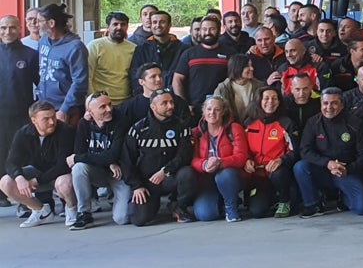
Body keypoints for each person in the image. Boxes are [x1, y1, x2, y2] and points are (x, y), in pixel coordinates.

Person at [123, 89, 198, 226]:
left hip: (171, 177)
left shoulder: (181, 126)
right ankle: (153, 205)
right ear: (153, 107)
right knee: (138, 219)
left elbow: (184, 155)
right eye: (164, 103)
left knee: (187, 173)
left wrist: (165, 171)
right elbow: (127, 160)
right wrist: (136, 186)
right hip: (147, 181)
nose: (170, 106)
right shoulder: (138, 129)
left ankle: (178, 205)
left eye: (171, 102)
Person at [294, 88, 363, 217]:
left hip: (346, 172)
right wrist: (327, 163)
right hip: (322, 170)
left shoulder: (356, 124)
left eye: (334, 103)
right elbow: (305, 150)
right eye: (325, 103)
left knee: (362, 209)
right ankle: (313, 205)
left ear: (342, 105)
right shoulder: (313, 123)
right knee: (300, 167)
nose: (329, 107)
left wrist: (347, 169)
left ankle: (344, 197)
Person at [2, 101, 74, 227]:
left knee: (65, 183)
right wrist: (19, 178)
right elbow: (11, 161)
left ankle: (72, 209)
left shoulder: (65, 131)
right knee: (6, 182)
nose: (52, 122)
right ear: (34, 120)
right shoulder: (23, 133)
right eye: (46, 119)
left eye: (53, 117)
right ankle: (40, 211)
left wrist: (36, 180)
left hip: (59, 175)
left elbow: (63, 166)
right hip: (37, 172)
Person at [68, 91, 131, 229]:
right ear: (90, 112)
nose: (109, 109)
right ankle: (84, 212)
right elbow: (80, 152)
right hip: (98, 171)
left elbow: (113, 154)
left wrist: (110, 160)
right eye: (102, 107)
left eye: (109, 105)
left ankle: (117, 200)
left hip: (119, 173)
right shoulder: (84, 125)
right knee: (79, 167)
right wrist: (107, 161)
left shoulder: (121, 121)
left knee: (122, 218)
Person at [189, 96, 249, 223]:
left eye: (217, 109)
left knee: (224, 175)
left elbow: (241, 157)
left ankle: (231, 207)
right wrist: (204, 164)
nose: (212, 113)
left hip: (229, 176)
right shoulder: (196, 133)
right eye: (209, 109)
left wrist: (221, 162)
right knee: (205, 215)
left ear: (223, 112)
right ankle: (221, 202)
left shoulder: (234, 128)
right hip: (207, 179)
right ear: (203, 112)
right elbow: (192, 159)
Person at [0, 14, 39, 205]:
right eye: (3, 28)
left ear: (19, 29)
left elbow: (41, 84)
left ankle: (23, 195)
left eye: (12, 28)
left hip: (22, 114)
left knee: (20, 154)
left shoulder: (30, 55)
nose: (8, 32)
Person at [242, 86, 296, 218]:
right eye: (266, 98)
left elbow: (296, 152)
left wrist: (281, 160)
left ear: (279, 102)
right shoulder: (249, 123)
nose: (270, 102)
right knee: (257, 212)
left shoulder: (286, 123)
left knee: (278, 174)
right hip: (258, 175)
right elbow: (242, 148)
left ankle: (284, 201)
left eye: (274, 98)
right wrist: (246, 160)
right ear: (259, 101)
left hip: (278, 172)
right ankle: (270, 200)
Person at [36, 3, 88, 127]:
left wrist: (64, 109)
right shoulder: (43, 41)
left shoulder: (75, 47)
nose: (36, 24)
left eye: (39, 21)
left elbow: (80, 82)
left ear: (51, 23)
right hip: (44, 106)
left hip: (66, 109)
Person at [172, 15, 230, 119]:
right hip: (194, 110)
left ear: (219, 30)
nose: (207, 32)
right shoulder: (189, 54)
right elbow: (177, 80)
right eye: (204, 29)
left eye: (212, 29)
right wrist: (184, 105)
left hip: (221, 110)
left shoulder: (229, 53)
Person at [86, 11, 134, 103]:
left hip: (126, 102)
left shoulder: (134, 48)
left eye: (123, 24)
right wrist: (94, 100)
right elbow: (88, 76)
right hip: (101, 102)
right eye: (115, 24)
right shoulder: (95, 46)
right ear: (108, 27)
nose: (119, 27)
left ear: (127, 27)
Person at [211, 54, 264, 125]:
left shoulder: (259, 86)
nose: (252, 68)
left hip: (254, 127)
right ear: (237, 68)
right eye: (247, 66)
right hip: (230, 128)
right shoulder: (222, 88)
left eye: (251, 65)